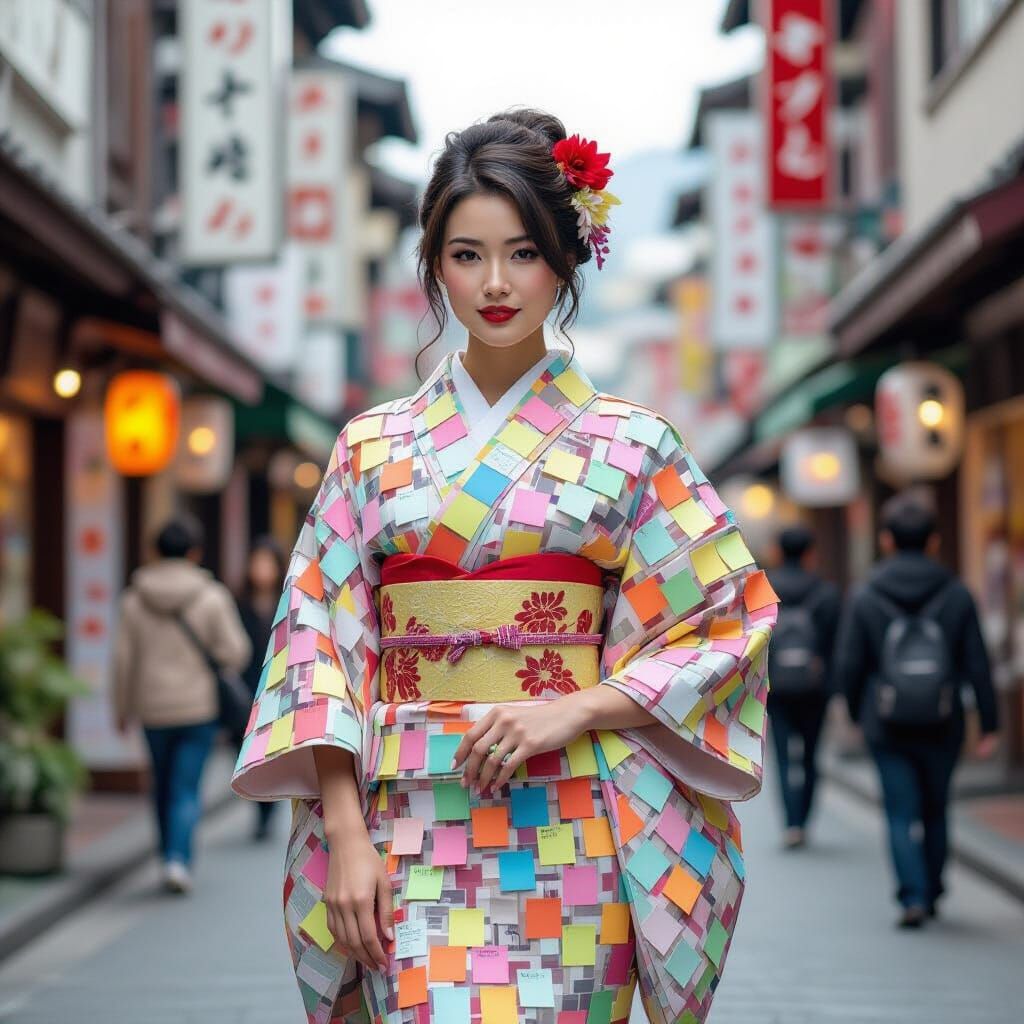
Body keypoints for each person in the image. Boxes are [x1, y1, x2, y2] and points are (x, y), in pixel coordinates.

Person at [231, 109, 777, 1023]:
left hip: (574, 817)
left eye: (523, 254)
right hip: (402, 817)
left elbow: (728, 614)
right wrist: (342, 830)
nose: (493, 283)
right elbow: (314, 640)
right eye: (465, 255)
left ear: (566, 259)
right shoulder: (371, 447)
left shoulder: (635, 444)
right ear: (433, 262)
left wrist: (573, 706)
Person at [835, 494, 999, 928]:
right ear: (933, 542)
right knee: (936, 806)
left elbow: (851, 663)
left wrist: (853, 710)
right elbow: (977, 662)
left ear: (886, 540)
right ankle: (934, 886)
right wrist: (990, 723)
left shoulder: (867, 594)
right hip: (944, 719)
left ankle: (912, 895)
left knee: (899, 809)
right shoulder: (957, 593)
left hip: (884, 720)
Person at [114, 515, 251, 893]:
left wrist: (121, 708)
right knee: (186, 787)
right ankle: (179, 859)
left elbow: (123, 660)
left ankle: (167, 855)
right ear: (194, 552)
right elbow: (236, 651)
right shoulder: (211, 596)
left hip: (152, 707)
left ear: (155, 552)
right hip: (197, 708)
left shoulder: (133, 599)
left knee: (161, 784)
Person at [766, 524, 840, 849]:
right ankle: (804, 820)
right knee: (811, 755)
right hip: (815, 687)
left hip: (776, 686)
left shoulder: (764, 589)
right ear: (810, 553)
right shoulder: (826, 592)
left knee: (782, 755)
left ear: (779, 552)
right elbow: (836, 645)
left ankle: (790, 823)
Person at [235, 535, 288, 840]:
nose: (262, 569)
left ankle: (269, 809)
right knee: (247, 750)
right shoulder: (239, 602)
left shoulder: (288, 597)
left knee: (274, 747)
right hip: (247, 688)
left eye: (267, 563)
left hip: (277, 685)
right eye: (257, 563)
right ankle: (260, 808)